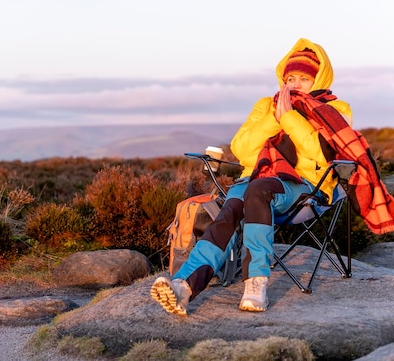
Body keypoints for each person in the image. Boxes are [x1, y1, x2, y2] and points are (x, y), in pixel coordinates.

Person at [151, 38, 354, 315]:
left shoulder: (336, 110)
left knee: (257, 191)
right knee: (231, 209)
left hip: (305, 187)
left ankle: (256, 283)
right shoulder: (265, 106)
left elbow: (323, 154)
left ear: (319, 78)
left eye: (303, 79)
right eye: (290, 78)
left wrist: (290, 118)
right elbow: (242, 149)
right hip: (255, 180)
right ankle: (184, 287)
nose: (294, 85)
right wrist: (275, 116)